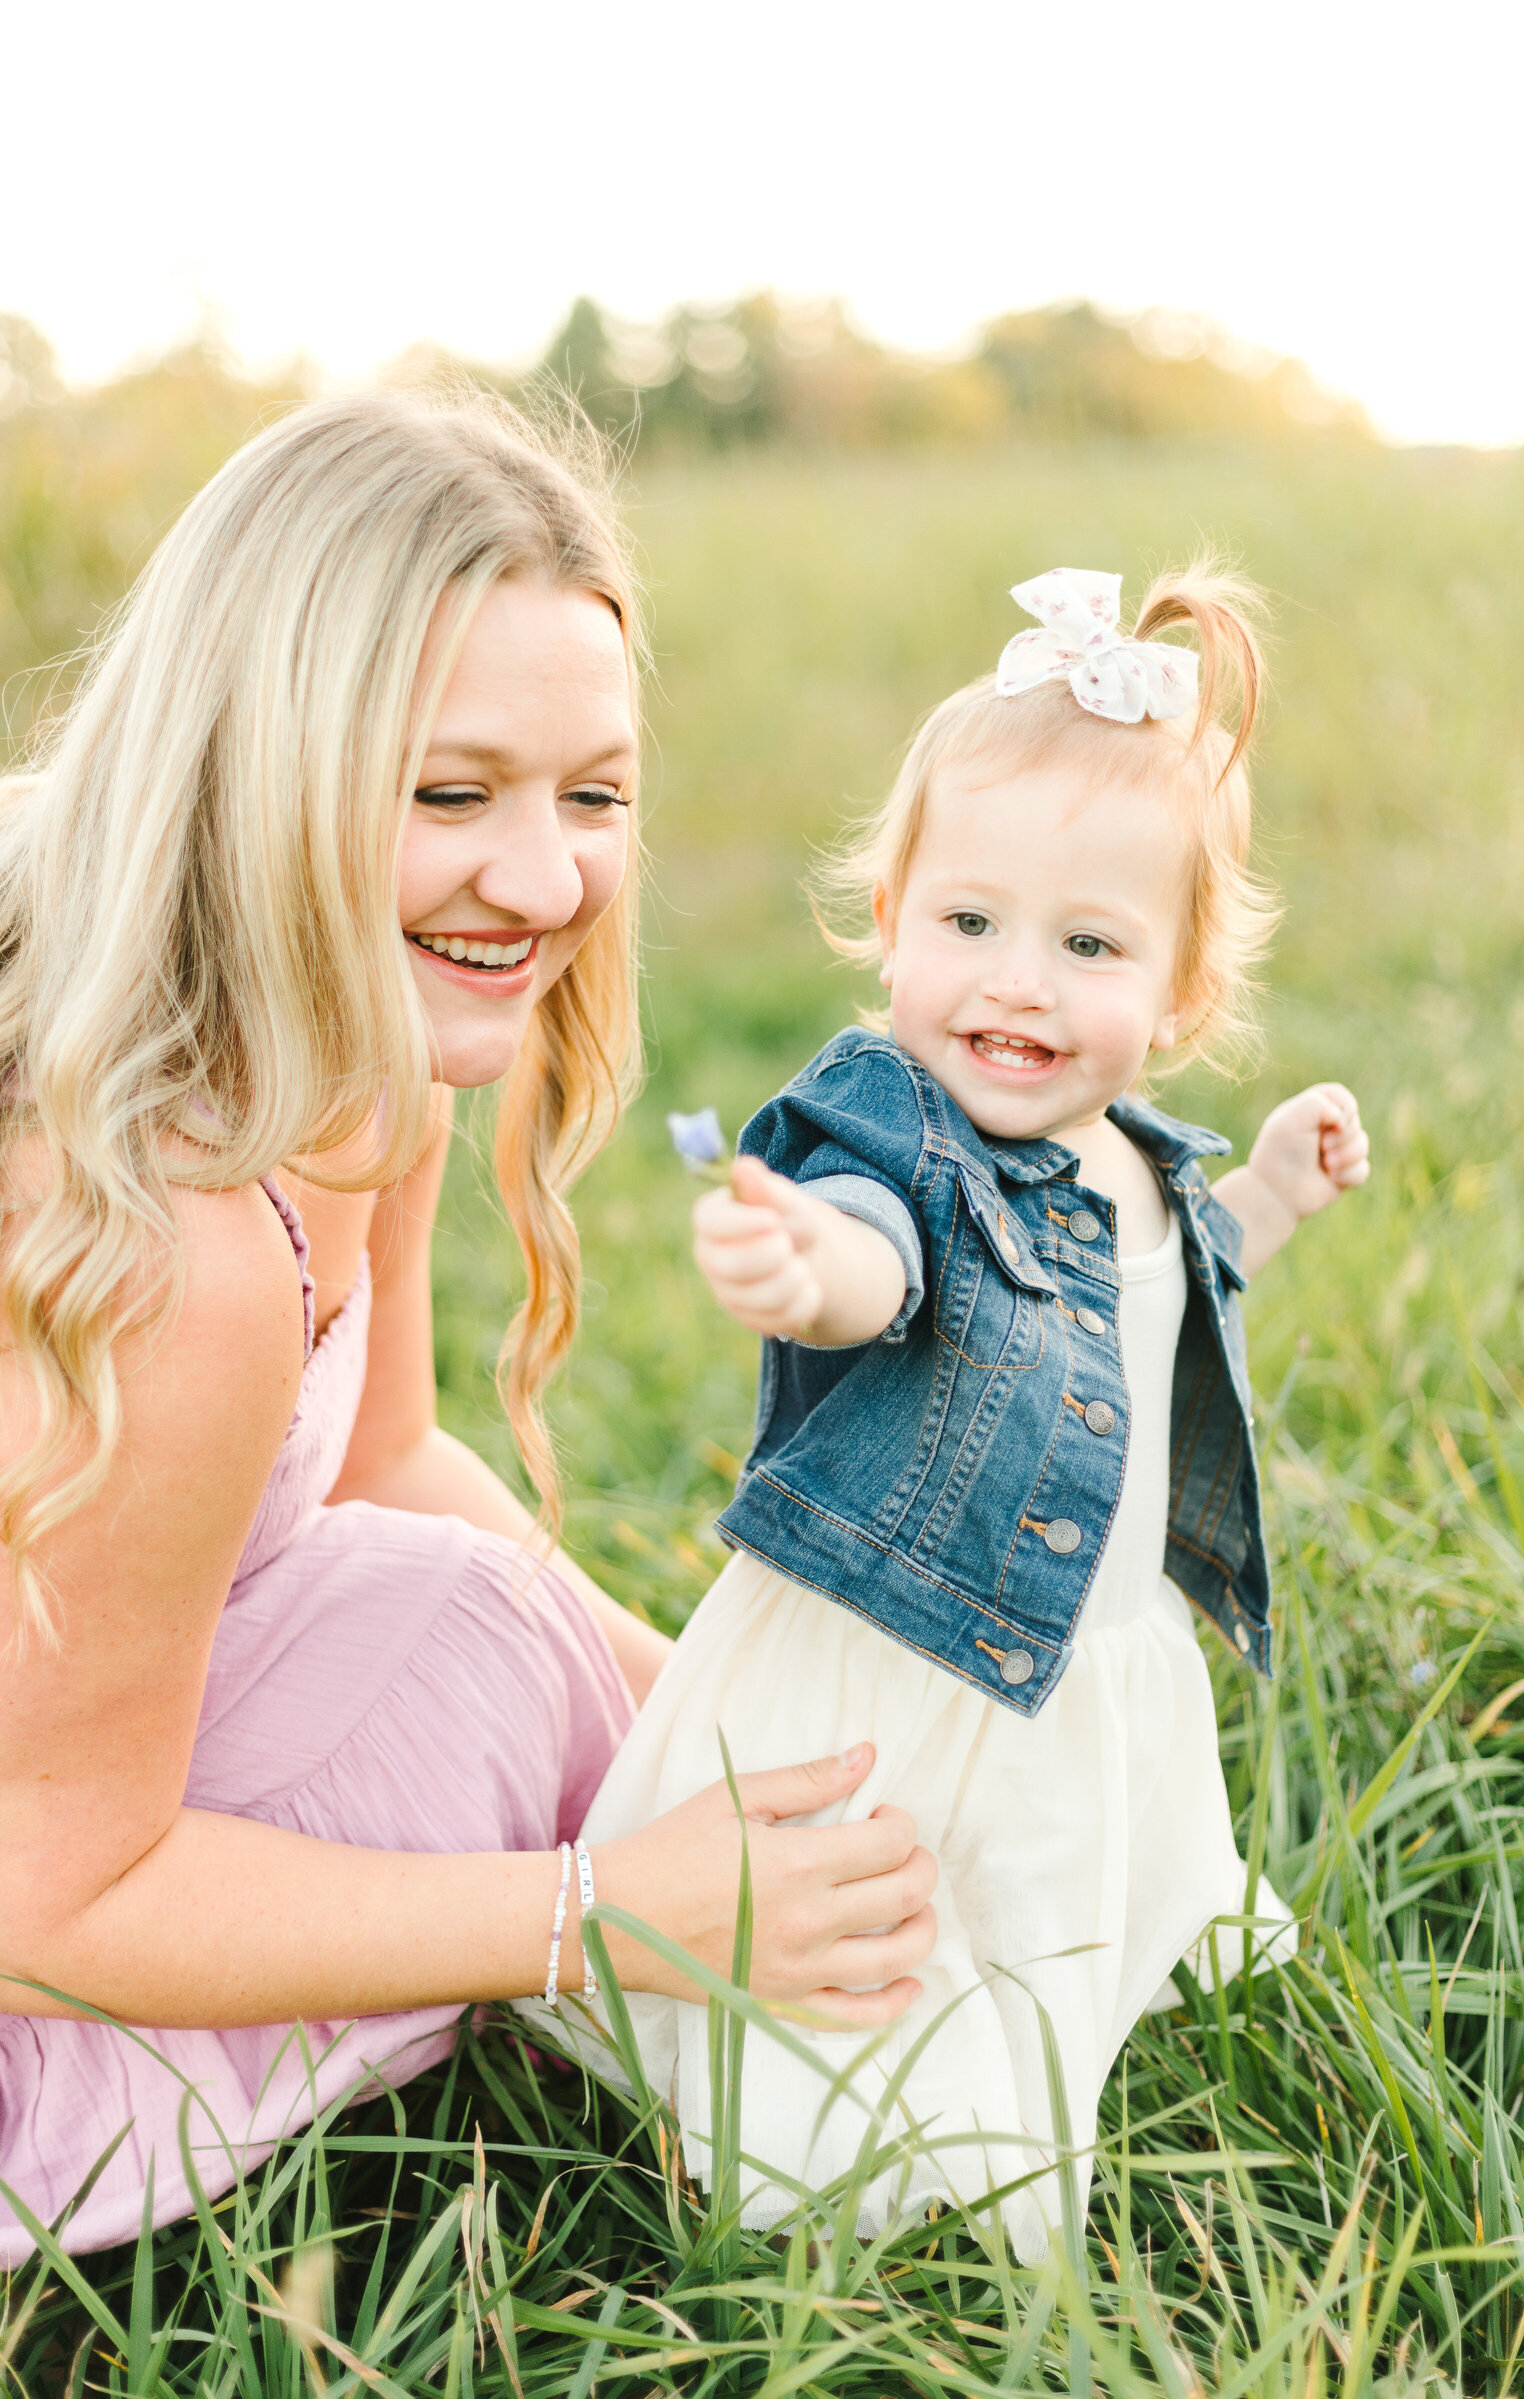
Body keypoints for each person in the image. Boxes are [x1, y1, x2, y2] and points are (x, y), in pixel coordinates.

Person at [0, 389, 939, 2264]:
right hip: (39, 1931)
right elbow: (40, 1898)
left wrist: (733, 1724)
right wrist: (607, 1906)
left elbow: (382, 1461)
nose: (544, 881)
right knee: (477, 1649)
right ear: (253, 768)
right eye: (451, 793)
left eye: (592, 794)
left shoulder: (355, 1055)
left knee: (493, 1627)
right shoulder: (174, 1242)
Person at [580, 565, 1371, 2254]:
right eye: (968, 924)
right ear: (890, 920)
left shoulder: (1139, 1161)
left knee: (1051, 1891)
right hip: (907, 1649)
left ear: (1178, 994)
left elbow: (1161, 1300)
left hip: (1084, 1646)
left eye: (1086, 945)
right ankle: (843, 2175)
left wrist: (1277, 1205)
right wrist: (813, 1269)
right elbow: (886, 1267)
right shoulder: (893, 1134)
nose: (1016, 982)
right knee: (881, 1930)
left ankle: (1041, 2043)